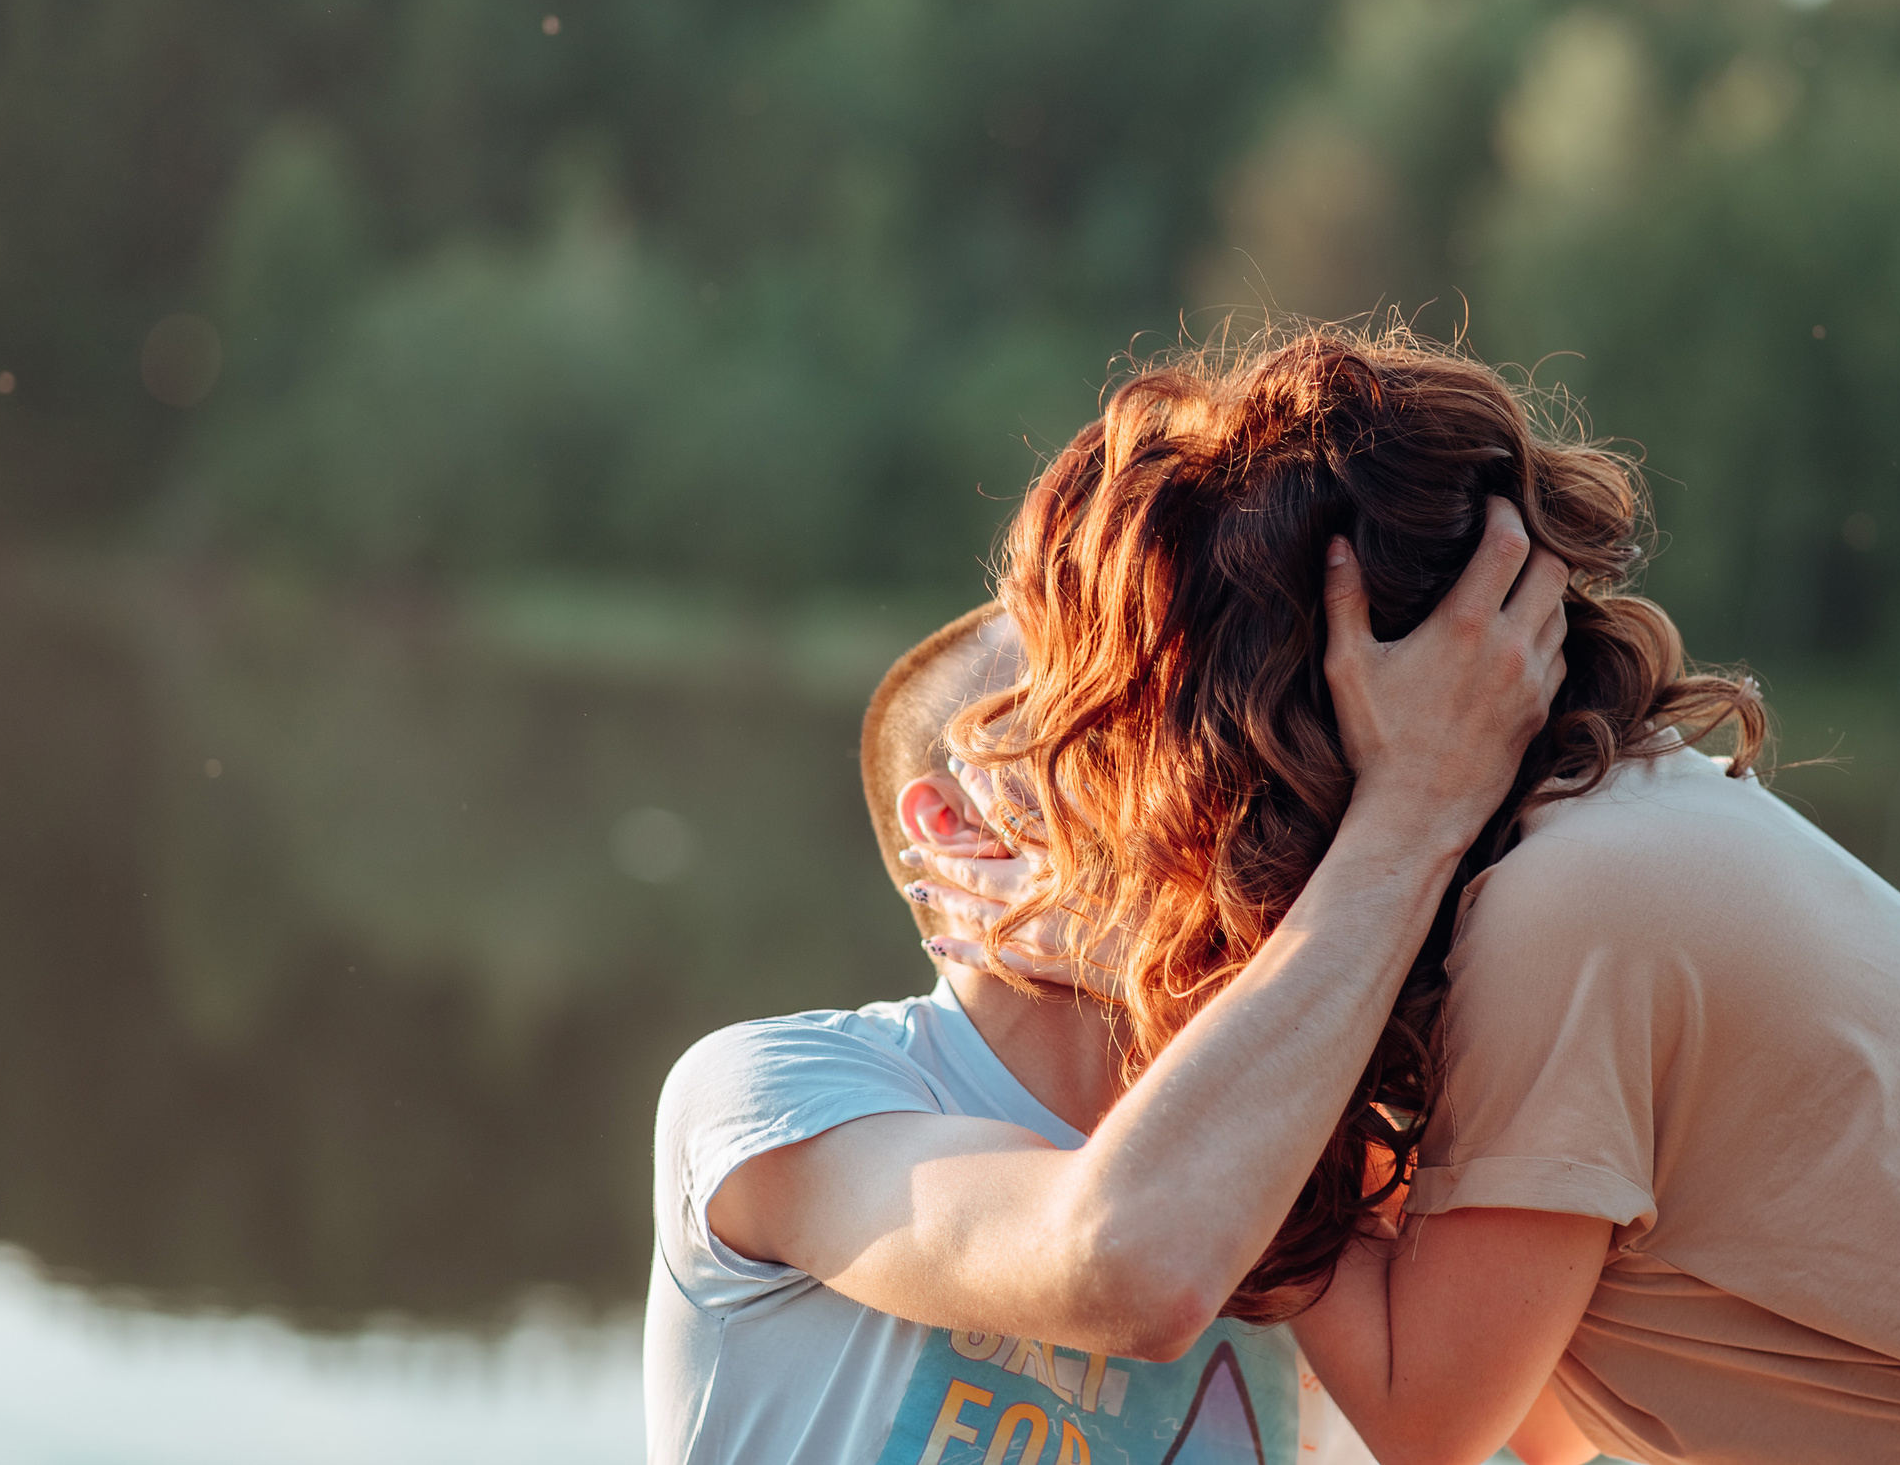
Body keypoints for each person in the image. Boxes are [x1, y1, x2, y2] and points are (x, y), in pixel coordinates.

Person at [923, 325, 1900, 1465]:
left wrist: (1191, 1018)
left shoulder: (1576, 911)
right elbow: (1562, 1420)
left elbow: (1433, 1418)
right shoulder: (1618, 828)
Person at [644, 538, 1569, 1464]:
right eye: (1087, 704)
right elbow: (1131, 1263)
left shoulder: (1317, 1131)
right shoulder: (767, 1091)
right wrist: (1415, 800)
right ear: (956, 820)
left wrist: (1188, 973)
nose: (1166, 734)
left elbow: (1555, 1422)